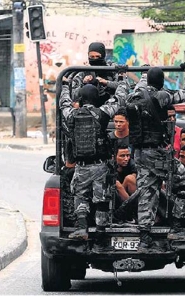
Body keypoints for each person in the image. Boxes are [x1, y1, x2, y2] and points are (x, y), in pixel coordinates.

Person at [125, 64, 185, 252]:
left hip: (139, 153)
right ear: (162, 82)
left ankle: (145, 236)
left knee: (147, 192)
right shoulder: (162, 96)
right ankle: (177, 225)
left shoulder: (134, 95)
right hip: (157, 152)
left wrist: (142, 75)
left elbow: (140, 87)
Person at [60, 77, 128, 252]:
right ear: (96, 98)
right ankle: (100, 238)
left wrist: (66, 85)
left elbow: (64, 102)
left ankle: (81, 227)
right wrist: (121, 79)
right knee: (101, 201)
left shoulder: (71, 114)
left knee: (80, 197)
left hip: (81, 166)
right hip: (100, 166)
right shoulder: (101, 113)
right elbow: (120, 98)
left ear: (81, 100)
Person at [70, 42, 118, 107]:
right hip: (88, 109)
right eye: (92, 57)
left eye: (98, 56)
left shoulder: (112, 69)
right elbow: (73, 96)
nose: (95, 59)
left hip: (110, 107)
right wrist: (84, 84)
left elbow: (123, 87)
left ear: (103, 55)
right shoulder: (83, 72)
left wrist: (106, 82)